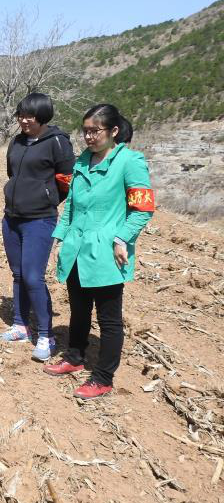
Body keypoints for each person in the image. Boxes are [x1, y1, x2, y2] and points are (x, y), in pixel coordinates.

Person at [44, 104, 154, 399]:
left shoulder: (130, 162)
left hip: (107, 251)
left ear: (114, 131)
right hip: (76, 248)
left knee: (109, 318)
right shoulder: (83, 161)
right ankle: (75, 357)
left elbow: (143, 209)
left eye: (95, 131)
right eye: (86, 131)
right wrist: (60, 238)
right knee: (79, 309)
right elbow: (71, 206)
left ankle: (103, 377)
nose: (89, 137)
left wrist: (122, 239)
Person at [0, 92, 76, 361]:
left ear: (43, 116)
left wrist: (46, 198)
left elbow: (67, 182)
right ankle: (21, 325)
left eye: (29, 116)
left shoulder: (57, 142)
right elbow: (13, 174)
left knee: (33, 277)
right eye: (20, 115)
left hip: (39, 220)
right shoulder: (17, 141)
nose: (23, 120)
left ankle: (46, 335)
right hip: (12, 218)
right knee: (18, 274)